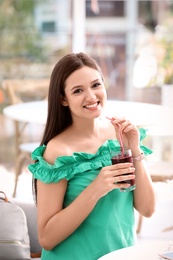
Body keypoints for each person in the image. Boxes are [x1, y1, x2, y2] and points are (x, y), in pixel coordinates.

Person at [28, 52, 156, 260]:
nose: (91, 96)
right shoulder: (58, 151)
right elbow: (47, 238)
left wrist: (134, 148)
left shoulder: (119, 137)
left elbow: (148, 209)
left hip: (120, 256)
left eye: (96, 85)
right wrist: (96, 188)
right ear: (63, 99)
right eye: (78, 90)